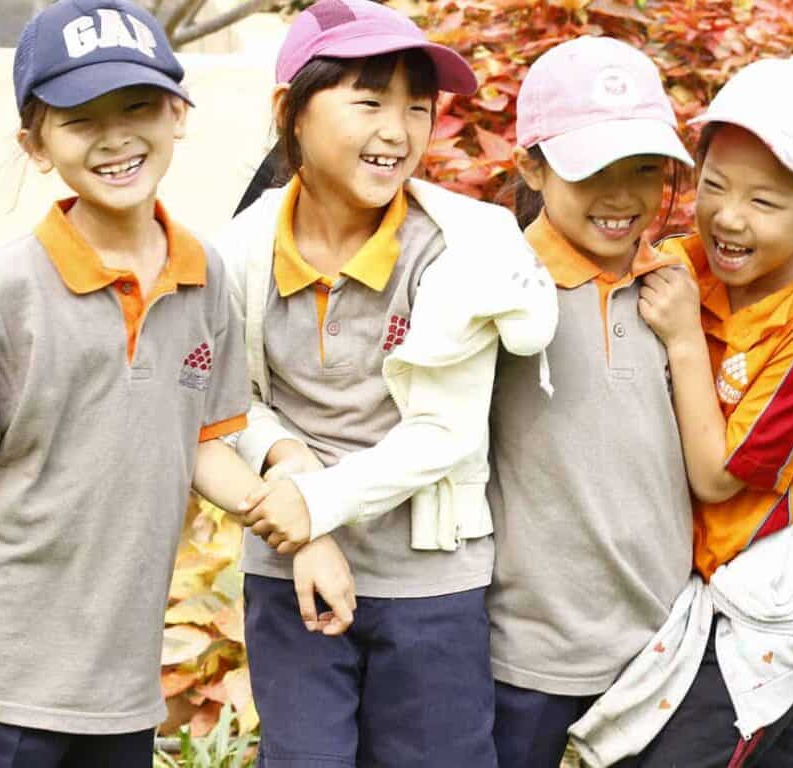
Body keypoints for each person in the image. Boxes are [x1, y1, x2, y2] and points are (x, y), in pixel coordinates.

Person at [0, 2, 271, 764]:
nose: (115, 137)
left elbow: (200, 442)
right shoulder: (11, 289)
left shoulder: (204, 277)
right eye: (81, 119)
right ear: (36, 145)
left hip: (117, 676)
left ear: (179, 114)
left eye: (138, 107)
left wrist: (277, 507)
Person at [214, 1, 557, 764]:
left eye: (417, 108)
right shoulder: (239, 252)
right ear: (290, 111)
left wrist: (313, 505)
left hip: (428, 583)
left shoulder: (461, 249)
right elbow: (231, 405)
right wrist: (294, 486)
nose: (398, 132)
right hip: (289, 576)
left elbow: (443, 432)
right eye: (369, 103)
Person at [568, 56, 793, 767]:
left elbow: (714, 477)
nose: (729, 218)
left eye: (765, 201)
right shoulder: (682, 263)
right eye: (713, 186)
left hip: (768, 597)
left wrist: (682, 339)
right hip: (699, 577)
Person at [482, 37, 697, 768]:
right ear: (532, 167)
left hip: (659, 642)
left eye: (644, 169)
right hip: (529, 646)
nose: (622, 196)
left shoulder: (675, 289)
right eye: (593, 170)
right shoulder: (499, 288)